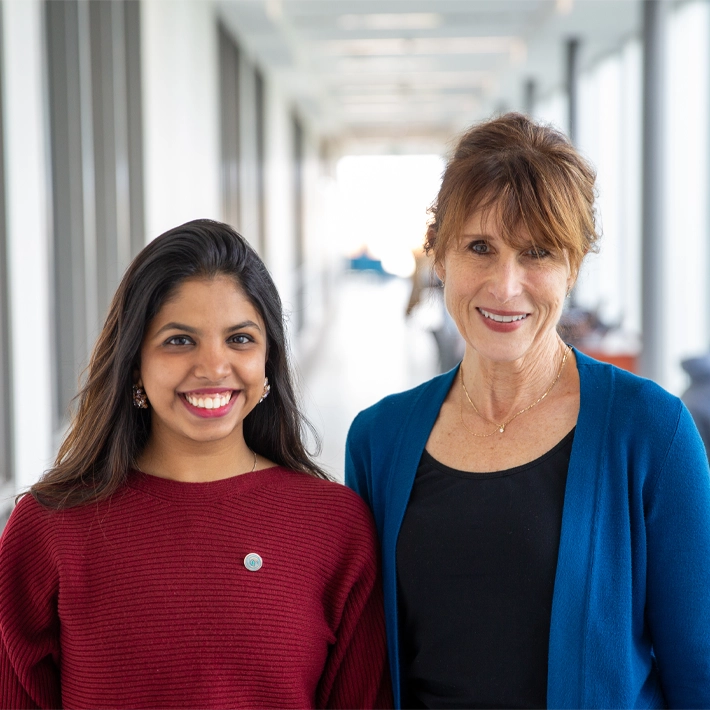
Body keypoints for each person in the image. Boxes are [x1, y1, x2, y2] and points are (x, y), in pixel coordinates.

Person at [345, 113, 710, 709]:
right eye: (480, 248)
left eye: (537, 252)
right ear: (439, 255)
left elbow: (699, 672)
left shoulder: (650, 432)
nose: (505, 286)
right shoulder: (378, 439)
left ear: (574, 266)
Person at [0, 219, 393, 709]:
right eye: (179, 340)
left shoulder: (335, 526)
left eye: (240, 339)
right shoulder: (48, 530)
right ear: (134, 360)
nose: (213, 367)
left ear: (268, 360)